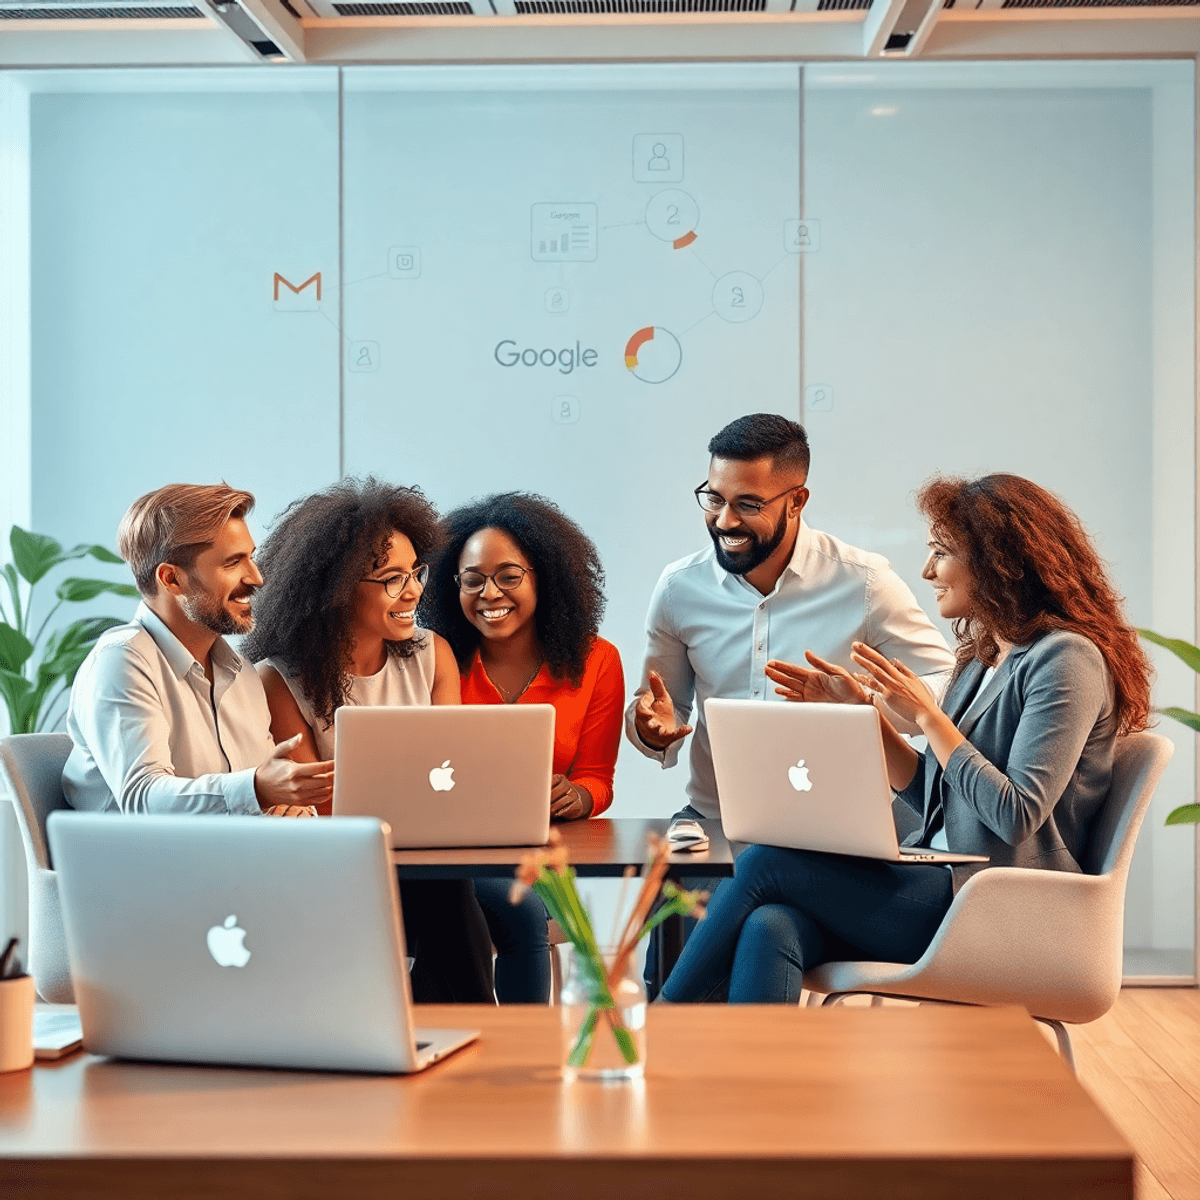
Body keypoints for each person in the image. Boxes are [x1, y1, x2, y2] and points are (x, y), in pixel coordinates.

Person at [660, 473, 1153, 1003]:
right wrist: (864, 722)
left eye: (941, 553)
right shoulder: (982, 658)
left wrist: (928, 719)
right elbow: (935, 804)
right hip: (941, 882)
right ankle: (753, 1086)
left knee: (763, 860)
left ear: (997, 562)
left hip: (1004, 906)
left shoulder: (1066, 658)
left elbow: (1015, 815)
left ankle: (660, 1027)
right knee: (771, 926)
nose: (927, 571)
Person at [625, 413, 955, 994]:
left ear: (796, 500)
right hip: (717, 824)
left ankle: (660, 1037)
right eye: (713, 498)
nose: (724, 520)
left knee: (741, 932)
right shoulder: (680, 588)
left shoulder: (863, 582)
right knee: (728, 928)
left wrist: (868, 705)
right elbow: (661, 709)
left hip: (837, 840)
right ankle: (694, 1048)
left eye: (747, 504)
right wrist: (653, 729)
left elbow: (943, 681)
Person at [242, 478, 494, 1004]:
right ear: (336, 589)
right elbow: (319, 806)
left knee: (448, 892)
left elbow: (457, 773)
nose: (414, 592)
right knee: (448, 900)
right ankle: (463, 1037)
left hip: (429, 859)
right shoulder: (279, 679)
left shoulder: (432, 653)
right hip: (343, 868)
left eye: (416, 572)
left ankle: (436, 1035)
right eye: (392, 578)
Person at [420, 492, 624, 1003]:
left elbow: (599, 777)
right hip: (451, 854)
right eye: (473, 579)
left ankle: (521, 1058)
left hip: (541, 854)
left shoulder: (597, 660)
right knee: (509, 910)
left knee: (526, 908)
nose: (490, 594)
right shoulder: (435, 658)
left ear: (543, 577)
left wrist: (580, 796)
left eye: (509, 576)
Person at [63, 483, 332, 817]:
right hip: (142, 868)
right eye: (233, 563)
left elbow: (259, 799)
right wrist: (257, 790)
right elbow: (143, 798)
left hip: (232, 864)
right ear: (172, 580)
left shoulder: (242, 674)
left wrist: (288, 809)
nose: (257, 578)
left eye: (251, 557)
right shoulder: (122, 662)